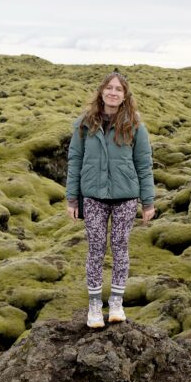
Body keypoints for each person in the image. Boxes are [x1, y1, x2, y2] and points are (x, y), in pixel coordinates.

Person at [66, 70, 156, 328]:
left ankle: (116, 302)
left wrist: (148, 202)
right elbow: (75, 161)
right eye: (109, 88)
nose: (113, 93)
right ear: (101, 91)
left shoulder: (135, 125)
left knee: (120, 247)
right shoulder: (84, 124)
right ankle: (95, 306)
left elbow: (144, 165)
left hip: (125, 197)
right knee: (95, 249)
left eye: (118, 89)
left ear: (125, 95)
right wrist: (72, 199)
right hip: (93, 196)